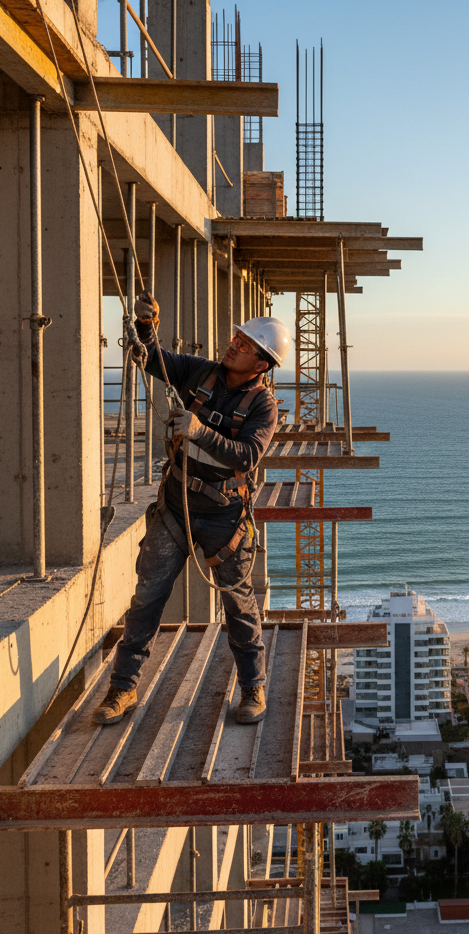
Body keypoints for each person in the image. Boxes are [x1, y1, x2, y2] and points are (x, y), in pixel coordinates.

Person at [93, 292, 291, 727]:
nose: (233, 345)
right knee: (147, 598)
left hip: (225, 515)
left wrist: (200, 431)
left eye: (244, 345)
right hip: (177, 505)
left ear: (261, 363)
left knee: (239, 604)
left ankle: (253, 687)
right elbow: (155, 362)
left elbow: (246, 456)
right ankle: (122, 688)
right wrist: (146, 328)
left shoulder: (263, 406)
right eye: (236, 337)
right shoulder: (202, 373)